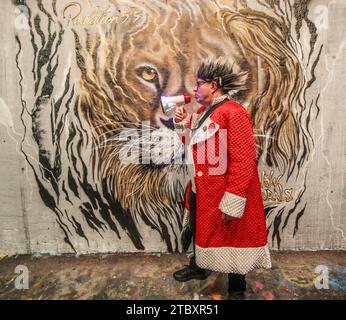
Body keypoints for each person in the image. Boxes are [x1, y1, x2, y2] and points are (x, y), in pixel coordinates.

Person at [172, 57, 272, 300]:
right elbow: (200, 149)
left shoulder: (234, 112)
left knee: (234, 233)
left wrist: (234, 197)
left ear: (214, 85)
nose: (195, 89)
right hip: (202, 187)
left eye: (199, 84)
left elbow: (244, 159)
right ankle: (198, 267)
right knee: (198, 227)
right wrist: (184, 124)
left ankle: (237, 288)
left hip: (222, 190)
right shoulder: (209, 112)